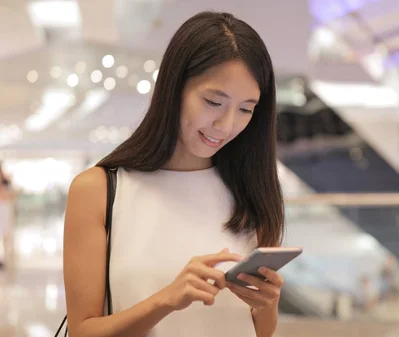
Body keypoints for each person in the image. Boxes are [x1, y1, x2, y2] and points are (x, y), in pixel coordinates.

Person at [63, 12, 284, 337]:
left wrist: (266, 305)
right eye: (213, 102)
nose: (226, 125)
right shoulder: (99, 190)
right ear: (174, 87)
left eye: (245, 109)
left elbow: (259, 332)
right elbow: (83, 331)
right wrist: (166, 300)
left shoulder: (252, 191)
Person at [0, 165, 16, 269]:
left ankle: (4, 258)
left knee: (6, 237)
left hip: (5, 215)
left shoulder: (7, 187)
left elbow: (12, 196)